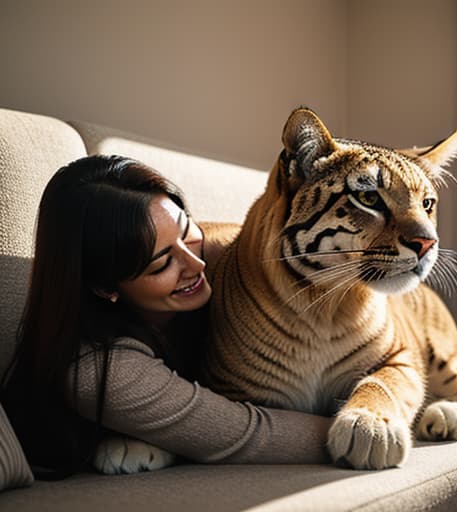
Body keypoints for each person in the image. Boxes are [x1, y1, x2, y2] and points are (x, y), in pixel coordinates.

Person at [1, 155, 332, 478]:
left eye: (187, 230)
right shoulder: (99, 370)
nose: (196, 266)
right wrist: (371, 431)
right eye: (162, 263)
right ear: (104, 287)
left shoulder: (218, 258)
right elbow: (244, 435)